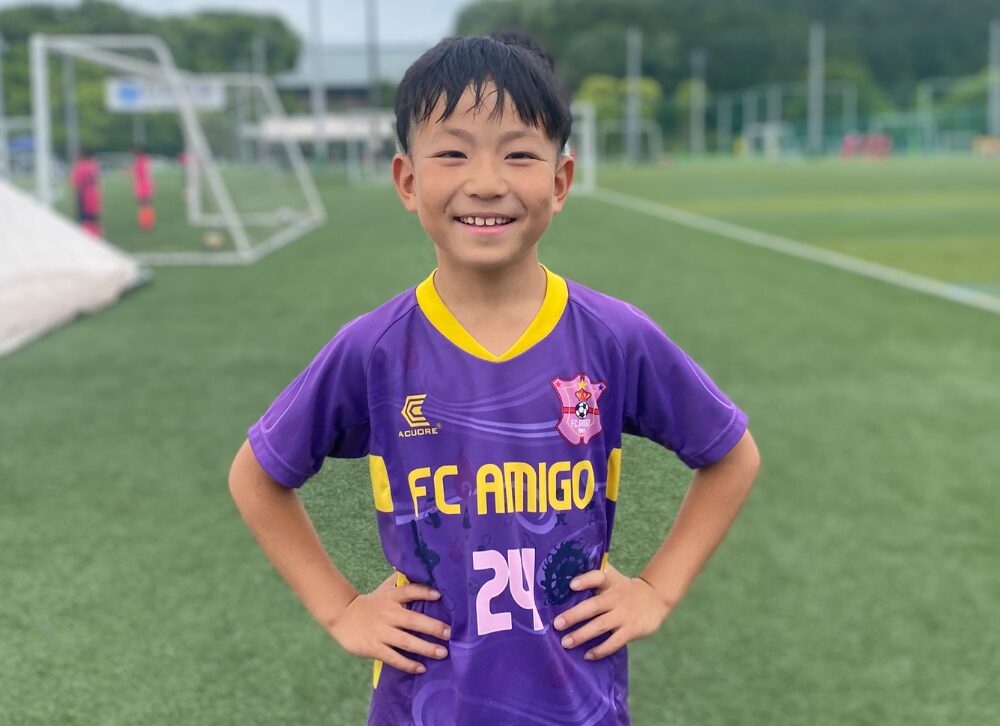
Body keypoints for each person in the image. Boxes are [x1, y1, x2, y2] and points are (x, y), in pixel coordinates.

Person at [229, 34, 760, 725]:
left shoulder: (612, 335)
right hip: (425, 705)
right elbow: (257, 476)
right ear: (408, 181)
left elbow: (730, 455)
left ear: (561, 181)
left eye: (519, 154)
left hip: (579, 705)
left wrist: (655, 591)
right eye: (453, 153)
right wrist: (342, 609)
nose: (485, 181)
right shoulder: (376, 349)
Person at [70, 148, 102, 237]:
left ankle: (87, 236)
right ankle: (97, 233)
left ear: (83, 156)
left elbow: (76, 184)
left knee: (84, 218)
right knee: (94, 217)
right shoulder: (94, 165)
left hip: (83, 194)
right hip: (94, 193)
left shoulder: (79, 167)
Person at [132, 146, 155, 231]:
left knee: (143, 206)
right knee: (146, 206)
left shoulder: (140, 161)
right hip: (147, 184)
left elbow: (136, 172)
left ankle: (145, 224)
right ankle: (148, 223)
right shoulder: (146, 160)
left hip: (142, 186)